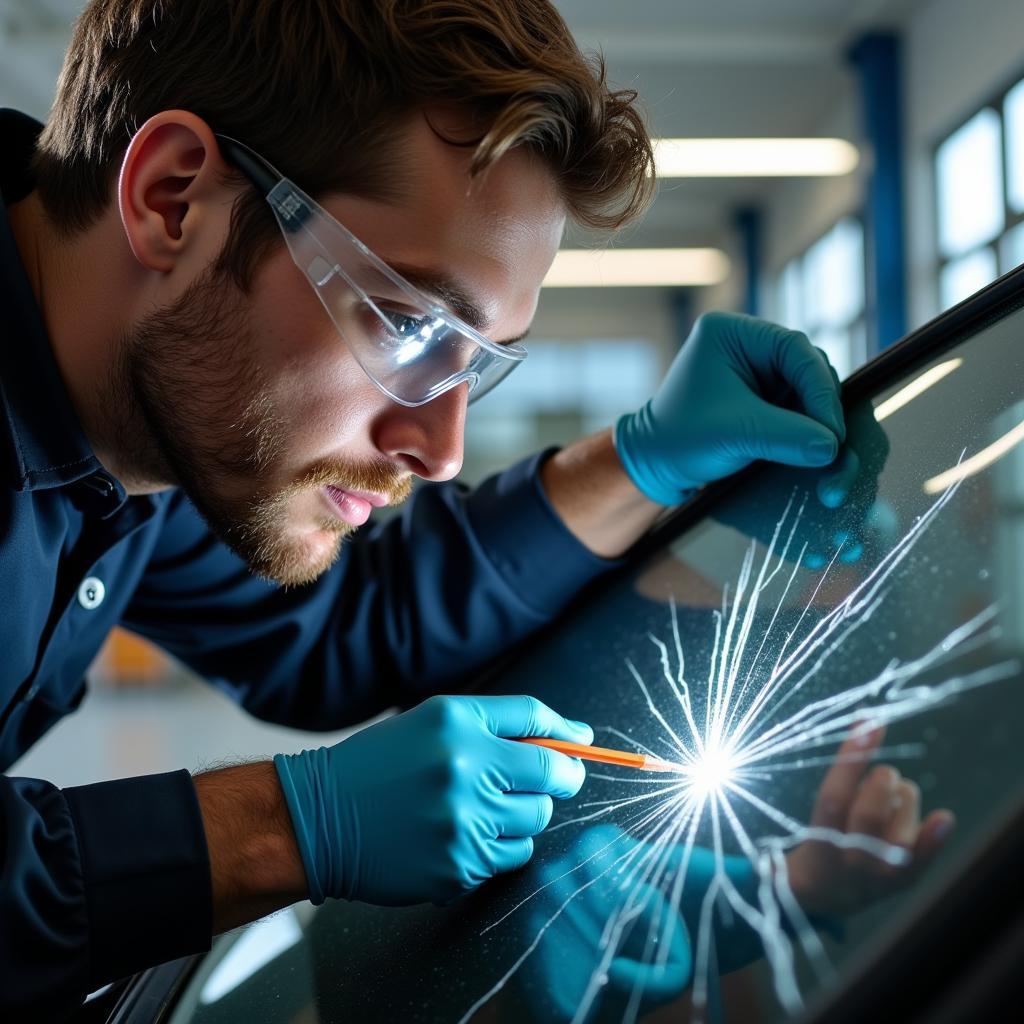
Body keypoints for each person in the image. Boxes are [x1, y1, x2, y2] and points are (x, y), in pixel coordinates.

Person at [0, 1, 935, 1018]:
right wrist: (283, 827)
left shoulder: (133, 432)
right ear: (175, 197)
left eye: (474, 364)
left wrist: (645, 461)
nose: (439, 450)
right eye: (408, 326)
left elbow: (335, 627)